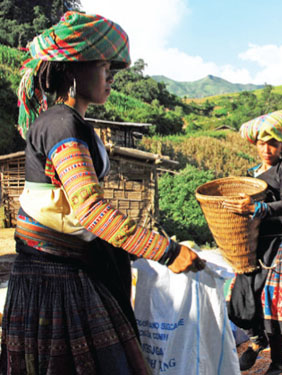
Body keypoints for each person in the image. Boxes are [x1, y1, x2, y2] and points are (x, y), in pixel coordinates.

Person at [0, 11, 204, 375]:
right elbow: (91, 210)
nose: (111, 76)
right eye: (103, 65)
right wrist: (165, 251)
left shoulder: (74, 123)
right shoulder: (62, 124)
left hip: (69, 268)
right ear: (73, 69)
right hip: (57, 281)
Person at [223, 110, 282, 375]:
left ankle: (279, 361)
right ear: (255, 144)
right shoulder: (250, 174)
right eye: (263, 143)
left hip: (280, 245)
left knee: (273, 305)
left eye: (274, 143)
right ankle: (257, 339)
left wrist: (256, 208)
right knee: (240, 300)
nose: (268, 149)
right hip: (252, 246)